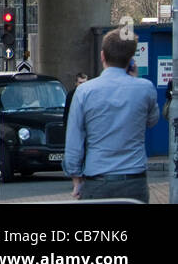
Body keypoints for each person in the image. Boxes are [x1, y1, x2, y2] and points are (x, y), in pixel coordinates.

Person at [63, 29, 160, 203]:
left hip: (98, 181)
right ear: (131, 60)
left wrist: (76, 178)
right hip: (134, 180)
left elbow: (74, 140)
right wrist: (135, 78)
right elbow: (152, 121)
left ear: (102, 56)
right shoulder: (145, 89)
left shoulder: (84, 91)